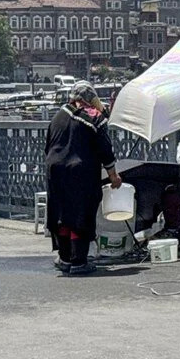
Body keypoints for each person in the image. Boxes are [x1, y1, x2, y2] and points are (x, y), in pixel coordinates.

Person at [45, 81, 122, 275]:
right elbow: (105, 148)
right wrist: (113, 175)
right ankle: (79, 261)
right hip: (80, 173)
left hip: (54, 170)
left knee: (62, 215)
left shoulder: (58, 116)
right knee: (80, 214)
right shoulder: (93, 117)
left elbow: (48, 146)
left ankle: (64, 258)